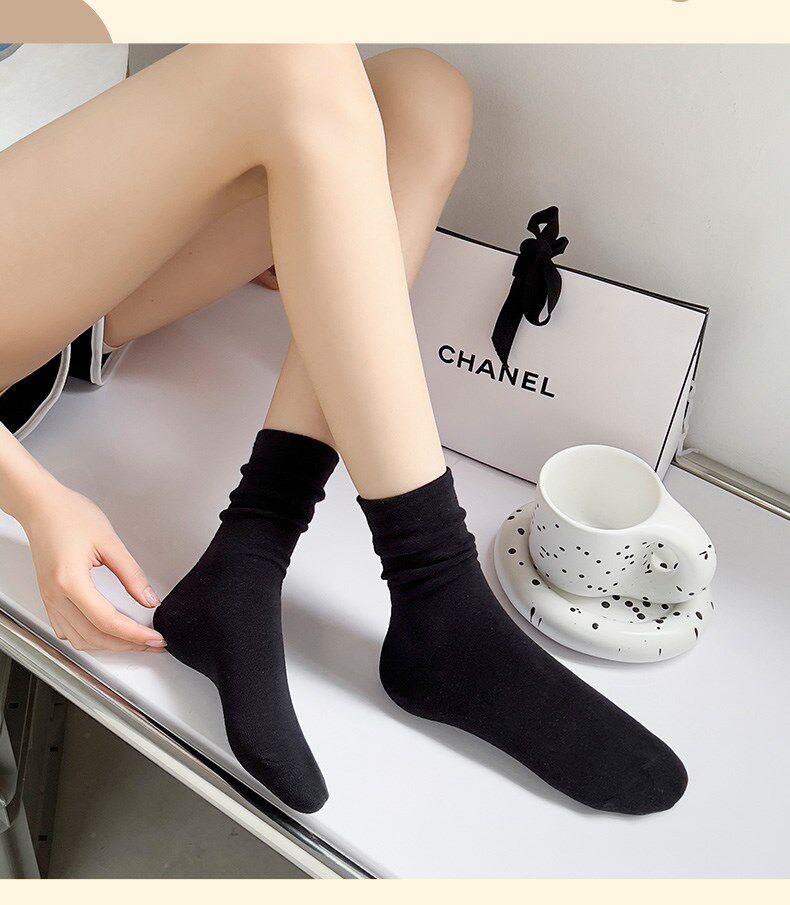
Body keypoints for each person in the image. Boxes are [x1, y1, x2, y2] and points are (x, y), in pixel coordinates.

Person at [0, 44, 687, 814]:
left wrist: (296, 194)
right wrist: (34, 500)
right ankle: (436, 589)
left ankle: (248, 553)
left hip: (63, 280)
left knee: (421, 99)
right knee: (287, 51)